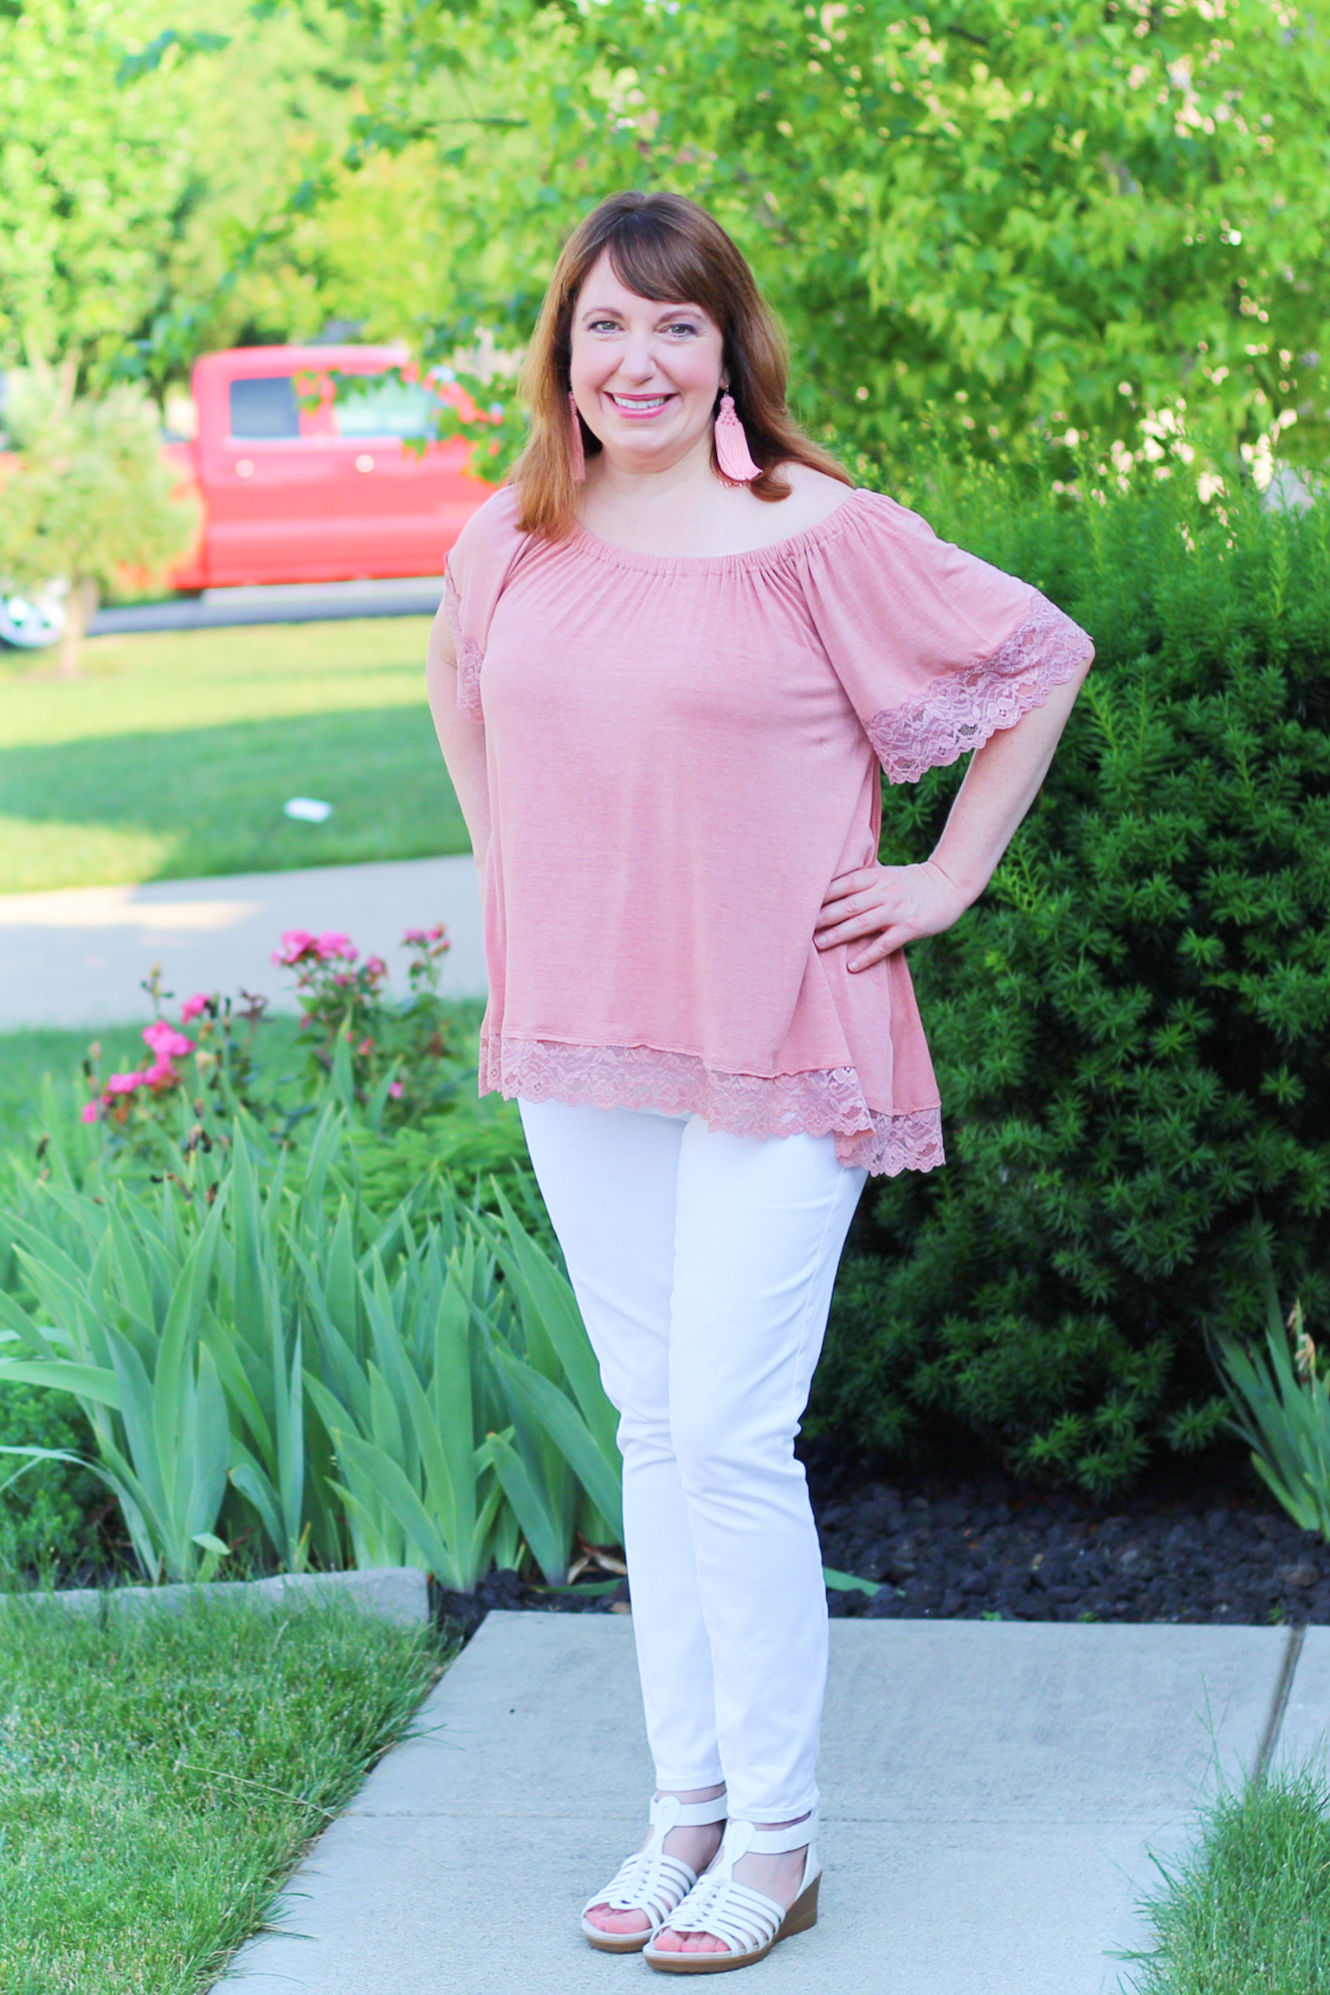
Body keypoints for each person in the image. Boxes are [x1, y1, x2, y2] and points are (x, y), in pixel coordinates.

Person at [426, 188, 1094, 1975]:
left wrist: (942, 880)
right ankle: (684, 1814)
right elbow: (463, 701)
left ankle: (780, 1841)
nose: (634, 361)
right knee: (655, 1432)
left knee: (728, 1436)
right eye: (603, 327)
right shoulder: (510, 535)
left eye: (675, 326)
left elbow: (1039, 659)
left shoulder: (813, 530)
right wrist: (528, 890)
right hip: (587, 1039)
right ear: (561, 351)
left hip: (785, 1033)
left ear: (729, 347)